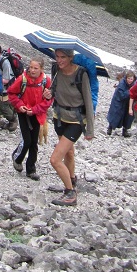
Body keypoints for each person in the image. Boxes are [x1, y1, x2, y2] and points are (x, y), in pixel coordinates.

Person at [44, 48, 94, 207]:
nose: (59, 60)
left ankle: (70, 193)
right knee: (69, 153)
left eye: (63, 57)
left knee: (55, 159)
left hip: (75, 122)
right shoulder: (56, 70)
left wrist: (90, 130)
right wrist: (49, 93)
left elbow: (88, 101)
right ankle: (71, 180)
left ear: (71, 58)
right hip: (59, 118)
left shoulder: (81, 74)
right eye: (57, 57)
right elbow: (55, 89)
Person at [7, 55, 52, 180]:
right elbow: (12, 93)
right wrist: (20, 106)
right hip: (23, 113)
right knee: (27, 140)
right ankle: (17, 158)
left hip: (36, 114)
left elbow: (49, 100)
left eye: (35, 68)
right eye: (31, 67)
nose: (32, 70)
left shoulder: (45, 81)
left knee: (34, 143)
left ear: (41, 69)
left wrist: (35, 110)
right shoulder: (22, 79)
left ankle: (31, 170)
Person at [0, 43, 18, 132]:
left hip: (7, 88)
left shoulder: (4, 62)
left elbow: (6, 79)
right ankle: (12, 120)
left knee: (3, 106)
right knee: (4, 105)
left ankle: (13, 121)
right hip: (1, 88)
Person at [106, 71, 136, 137]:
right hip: (118, 101)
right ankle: (110, 128)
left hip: (128, 102)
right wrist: (129, 91)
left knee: (128, 116)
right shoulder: (122, 84)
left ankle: (125, 131)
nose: (130, 80)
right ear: (126, 78)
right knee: (115, 114)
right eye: (129, 78)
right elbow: (121, 95)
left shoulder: (134, 84)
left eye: (131, 79)